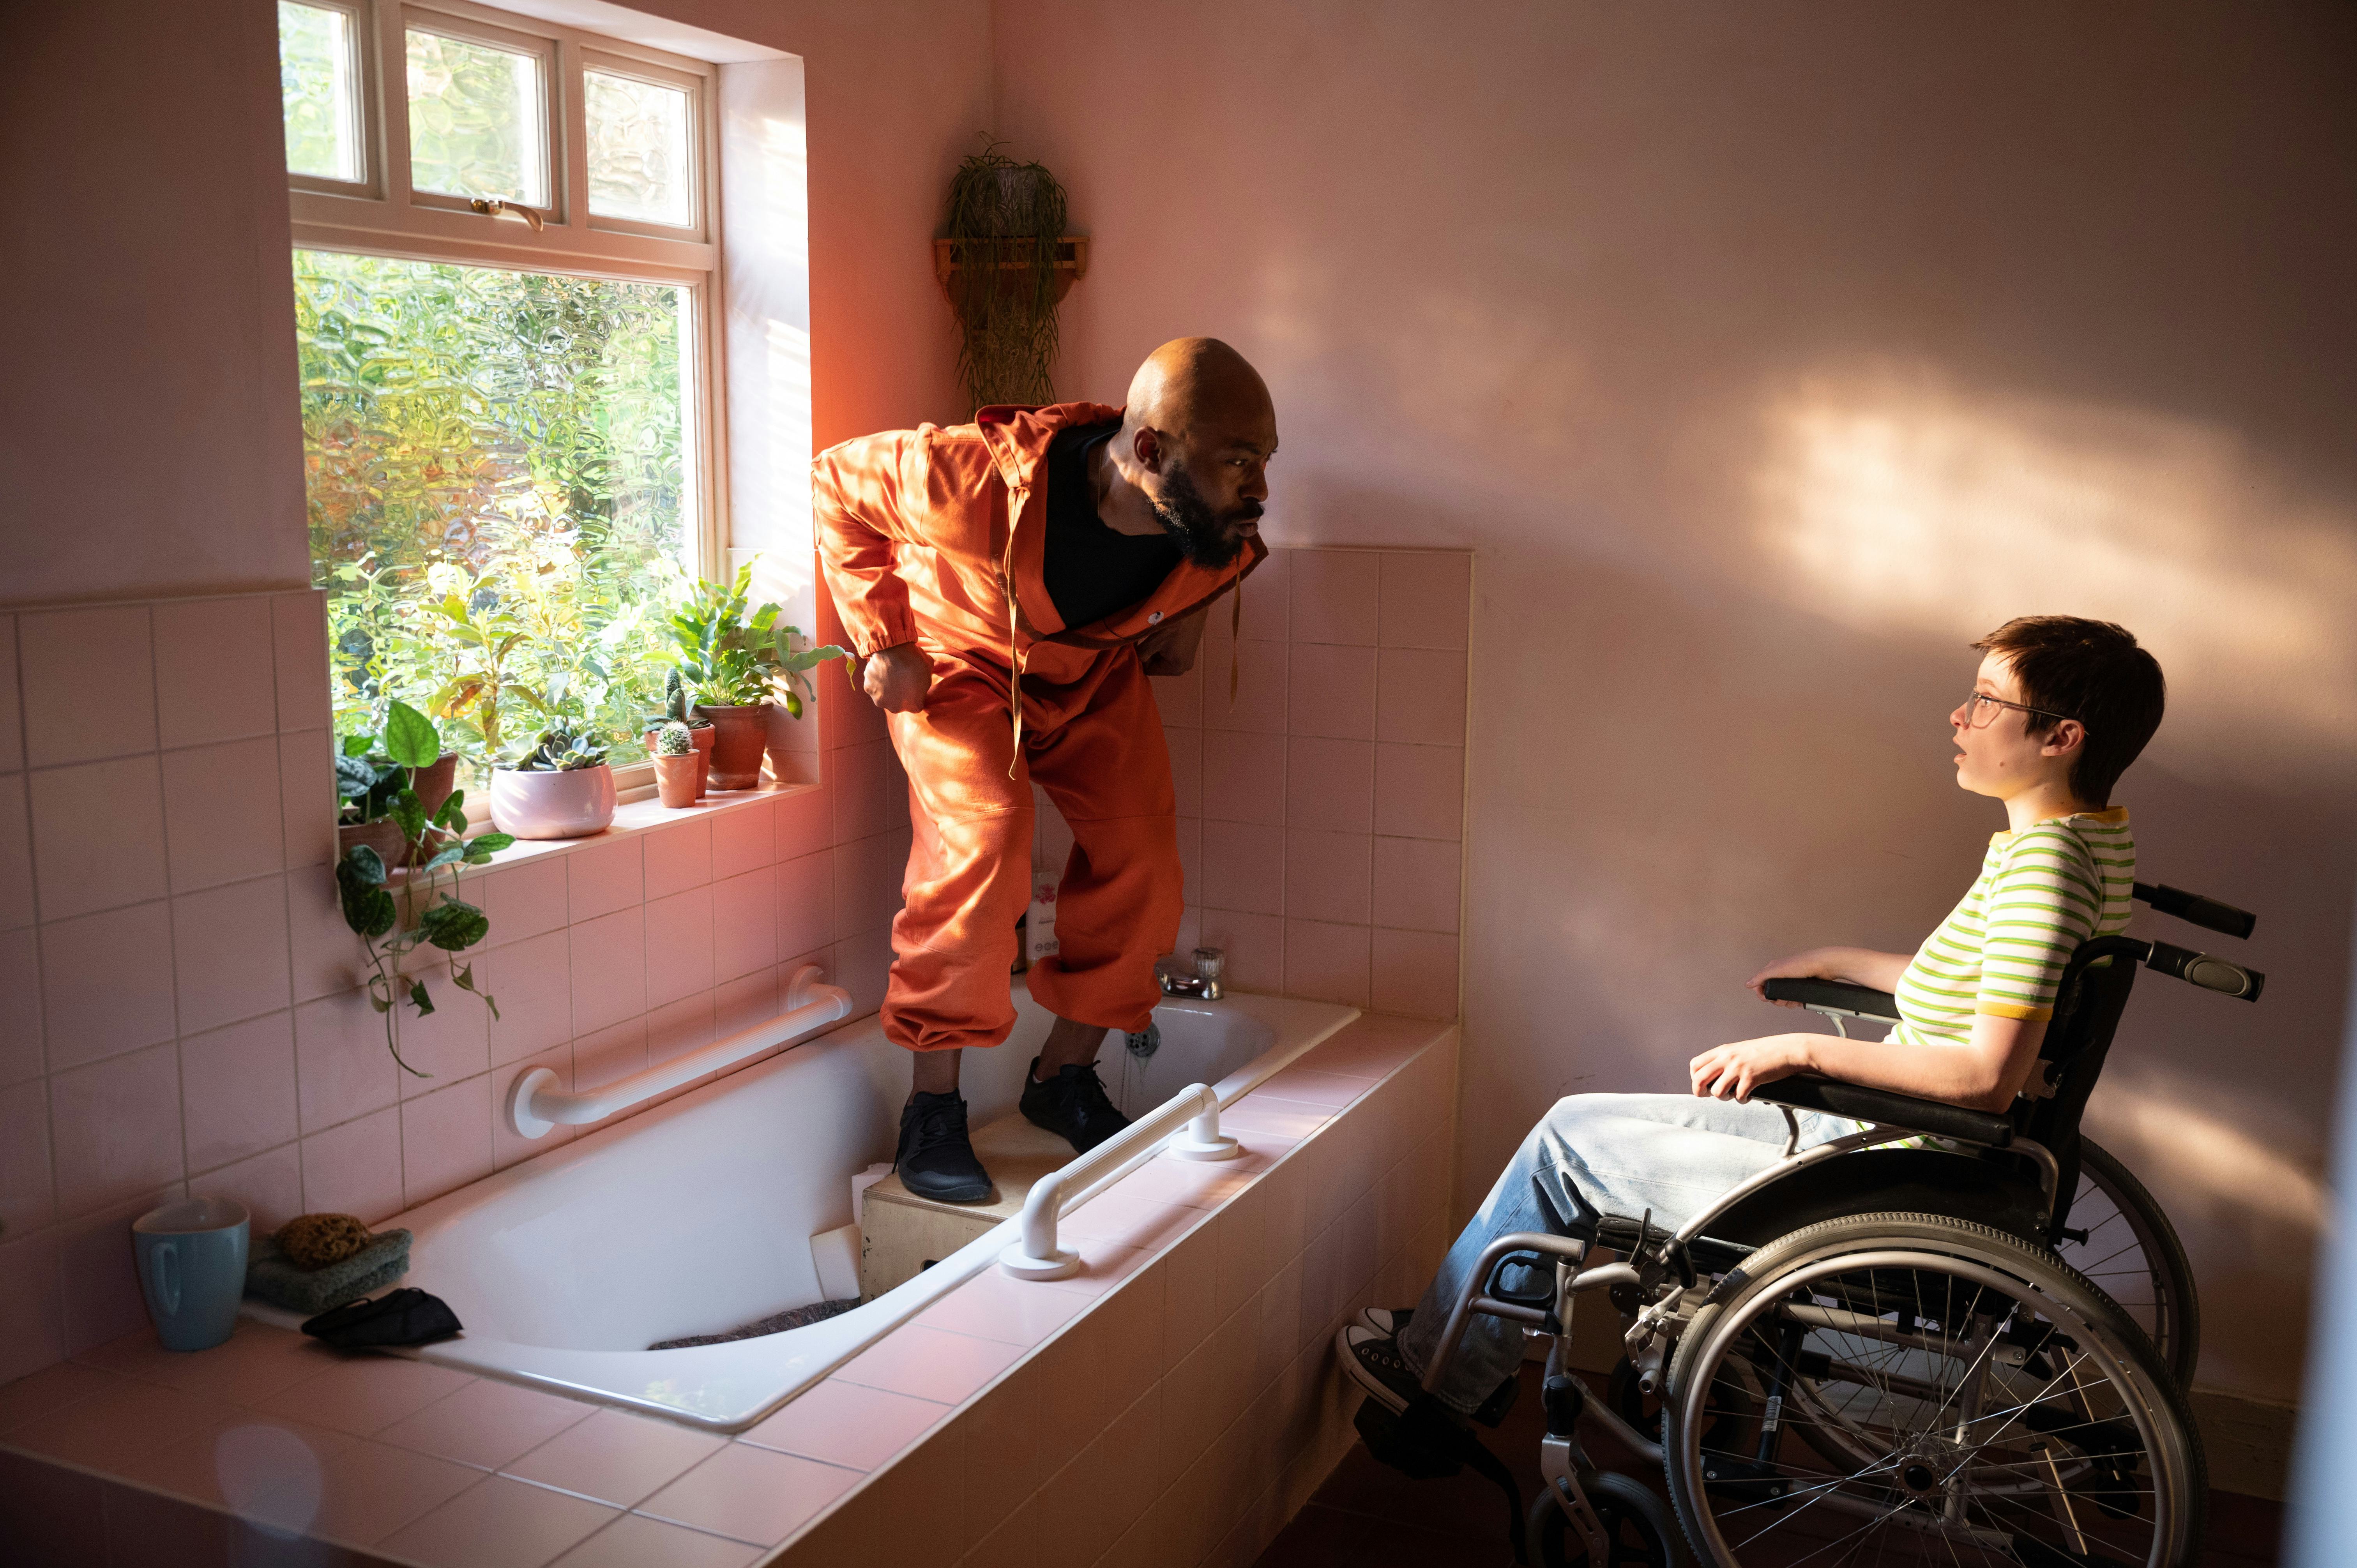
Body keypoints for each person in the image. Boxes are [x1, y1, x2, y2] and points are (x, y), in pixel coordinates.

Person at [1338, 616, 2168, 1420]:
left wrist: (1800, 1047)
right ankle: (1455, 1361)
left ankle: (1441, 1381)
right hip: (1900, 1150)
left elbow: (1988, 1076)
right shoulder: (2085, 843)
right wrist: (1844, 959)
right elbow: (1992, 990)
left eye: (1989, 700)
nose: (1961, 715)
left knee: (1565, 1147)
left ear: (2062, 737)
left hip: (1889, 1170)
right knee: (1572, 1119)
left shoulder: (2044, 870)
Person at [814, 338, 1276, 1202]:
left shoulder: (1203, 519)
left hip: (1090, 669)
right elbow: (836, 482)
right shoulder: (972, 480)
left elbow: (1233, 546)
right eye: (1238, 462)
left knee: (1143, 863)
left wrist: (1201, 611)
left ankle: (1060, 1077)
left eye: (1265, 460)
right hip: (964, 661)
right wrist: (886, 638)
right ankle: (934, 1110)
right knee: (987, 844)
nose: (1259, 487)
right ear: (1150, 453)